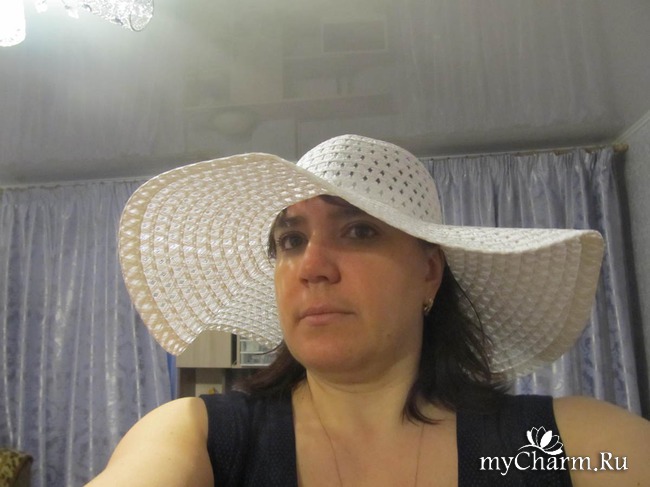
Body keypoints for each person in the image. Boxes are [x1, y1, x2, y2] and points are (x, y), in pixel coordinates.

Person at [88, 134, 649, 486]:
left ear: (428, 272)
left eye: (358, 231)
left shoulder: (562, 445)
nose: (311, 266)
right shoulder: (196, 437)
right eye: (291, 240)